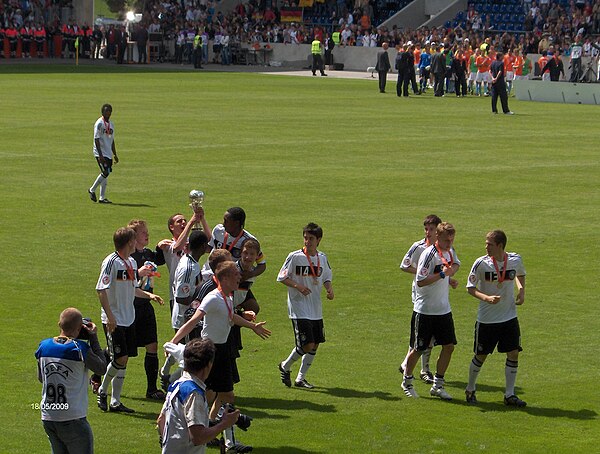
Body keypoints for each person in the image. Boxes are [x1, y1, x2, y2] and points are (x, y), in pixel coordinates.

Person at [170, 261, 271, 453]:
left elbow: (232, 318)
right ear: (224, 278)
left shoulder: (228, 297)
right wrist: (174, 340)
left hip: (222, 351)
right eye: (235, 274)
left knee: (223, 395)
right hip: (210, 352)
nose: (239, 277)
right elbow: (193, 321)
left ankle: (221, 437)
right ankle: (207, 433)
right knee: (208, 396)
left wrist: (253, 327)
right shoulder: (213, 298)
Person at [96, 227, 164, 413]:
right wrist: (110, 317)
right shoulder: (111, 262)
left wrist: (150, 296)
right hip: (114, 319)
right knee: (120, 358)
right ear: (129, 243)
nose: (137, 243)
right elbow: (101, 290)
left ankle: (116, 401)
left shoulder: (132, 263)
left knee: (124, 360)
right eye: (134, 240)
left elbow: (133, 288)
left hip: (128, 318)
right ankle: (102, 390)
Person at [465, 230, 527, 407]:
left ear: (500, 245)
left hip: (509, 317)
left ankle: (509, 394)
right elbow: (470, 287)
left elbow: (520, 274)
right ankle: (470, 389)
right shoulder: (481, 263)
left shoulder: (515, 259)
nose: (486, 247)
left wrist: (522, 290)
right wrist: (486, 298)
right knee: (481, 355)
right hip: (487, 320)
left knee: (514, 353)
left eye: (489, 244)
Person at [401, 222, 460, 400]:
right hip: (425, 310)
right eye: (445, 239)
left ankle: (438, 385)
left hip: (443, 310)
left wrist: (450, 273)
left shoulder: (450, 251)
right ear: (437, 238)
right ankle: (407, 381)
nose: (449, 242)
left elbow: (456, 264)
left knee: (449, 346)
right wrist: (442, 274)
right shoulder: (429, 254)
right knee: (419, 348)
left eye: (451, 239)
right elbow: (420, 280)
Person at [36, 308, 107, 454]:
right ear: (79, 328)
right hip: (72, 418)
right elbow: (101, 368)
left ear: (59, 324)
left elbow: (41, 378)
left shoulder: (43, 347)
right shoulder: (80, 349)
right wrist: (93, 337)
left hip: (48, 416)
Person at [158, 338, 240, 454]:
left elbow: (161, 421)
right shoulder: (194, 393)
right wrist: (224, 424)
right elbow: (198, 437)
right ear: (208, 365)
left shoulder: (176, 385)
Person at [277, 222, 334, 389]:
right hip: (298, 307)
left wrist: (329, 290)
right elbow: (282, 277)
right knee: (306, 344)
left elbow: (326, 277)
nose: (307, 241)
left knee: (315, 343)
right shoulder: (294, 257)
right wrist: (298, 286)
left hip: (315, 307)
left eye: (311, 239)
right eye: (305, 238)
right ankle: (285, 366)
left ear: (319, 240)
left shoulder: (322, 258)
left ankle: (300, 378)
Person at [127, 219, 167, 400]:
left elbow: (161, 258)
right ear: (134, 237)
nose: (147, 234)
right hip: (131, 308)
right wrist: (138, 273)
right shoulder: (129, 259)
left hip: (146, 307)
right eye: (143, 233)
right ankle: (98, 373)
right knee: (123, 351)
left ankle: (151, 389)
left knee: (152, 346)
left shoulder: (149, 254)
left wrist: (160, 247)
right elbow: (125, 281)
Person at [88, 104, 118, 204]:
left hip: (108, 152)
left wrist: (115, 154)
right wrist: (100, 155)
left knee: (106, 173)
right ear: (102, 112)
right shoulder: (99, 124)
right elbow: (96, 139)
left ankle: (102, 197)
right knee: (105, 172)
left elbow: (112, 140)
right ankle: (91, 190)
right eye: (106, 111)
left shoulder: (112, 124)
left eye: (110, 111)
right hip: (100, 152)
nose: (108, 113)